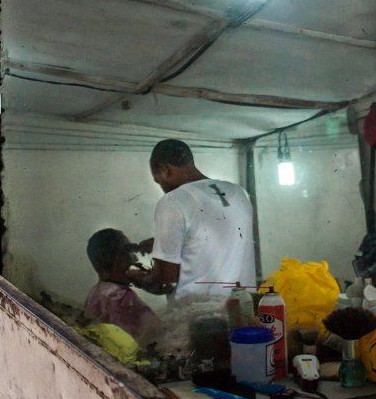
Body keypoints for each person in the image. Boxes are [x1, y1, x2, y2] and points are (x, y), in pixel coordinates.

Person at [127, 139, 256, 298]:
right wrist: (161, 243)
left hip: (202, 309)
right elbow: (216, 237)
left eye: (158, 180)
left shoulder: (173, 200)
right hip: (244, 304)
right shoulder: (239, 192)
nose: (162, 188)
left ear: (164, 169)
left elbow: (166, 282)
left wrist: (136, 277)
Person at [83, 228, 161, 346]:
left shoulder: (94, 294)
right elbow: (156, 336)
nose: (135, 258)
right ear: (119, 258)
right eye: (130, 252)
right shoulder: (123, 299)